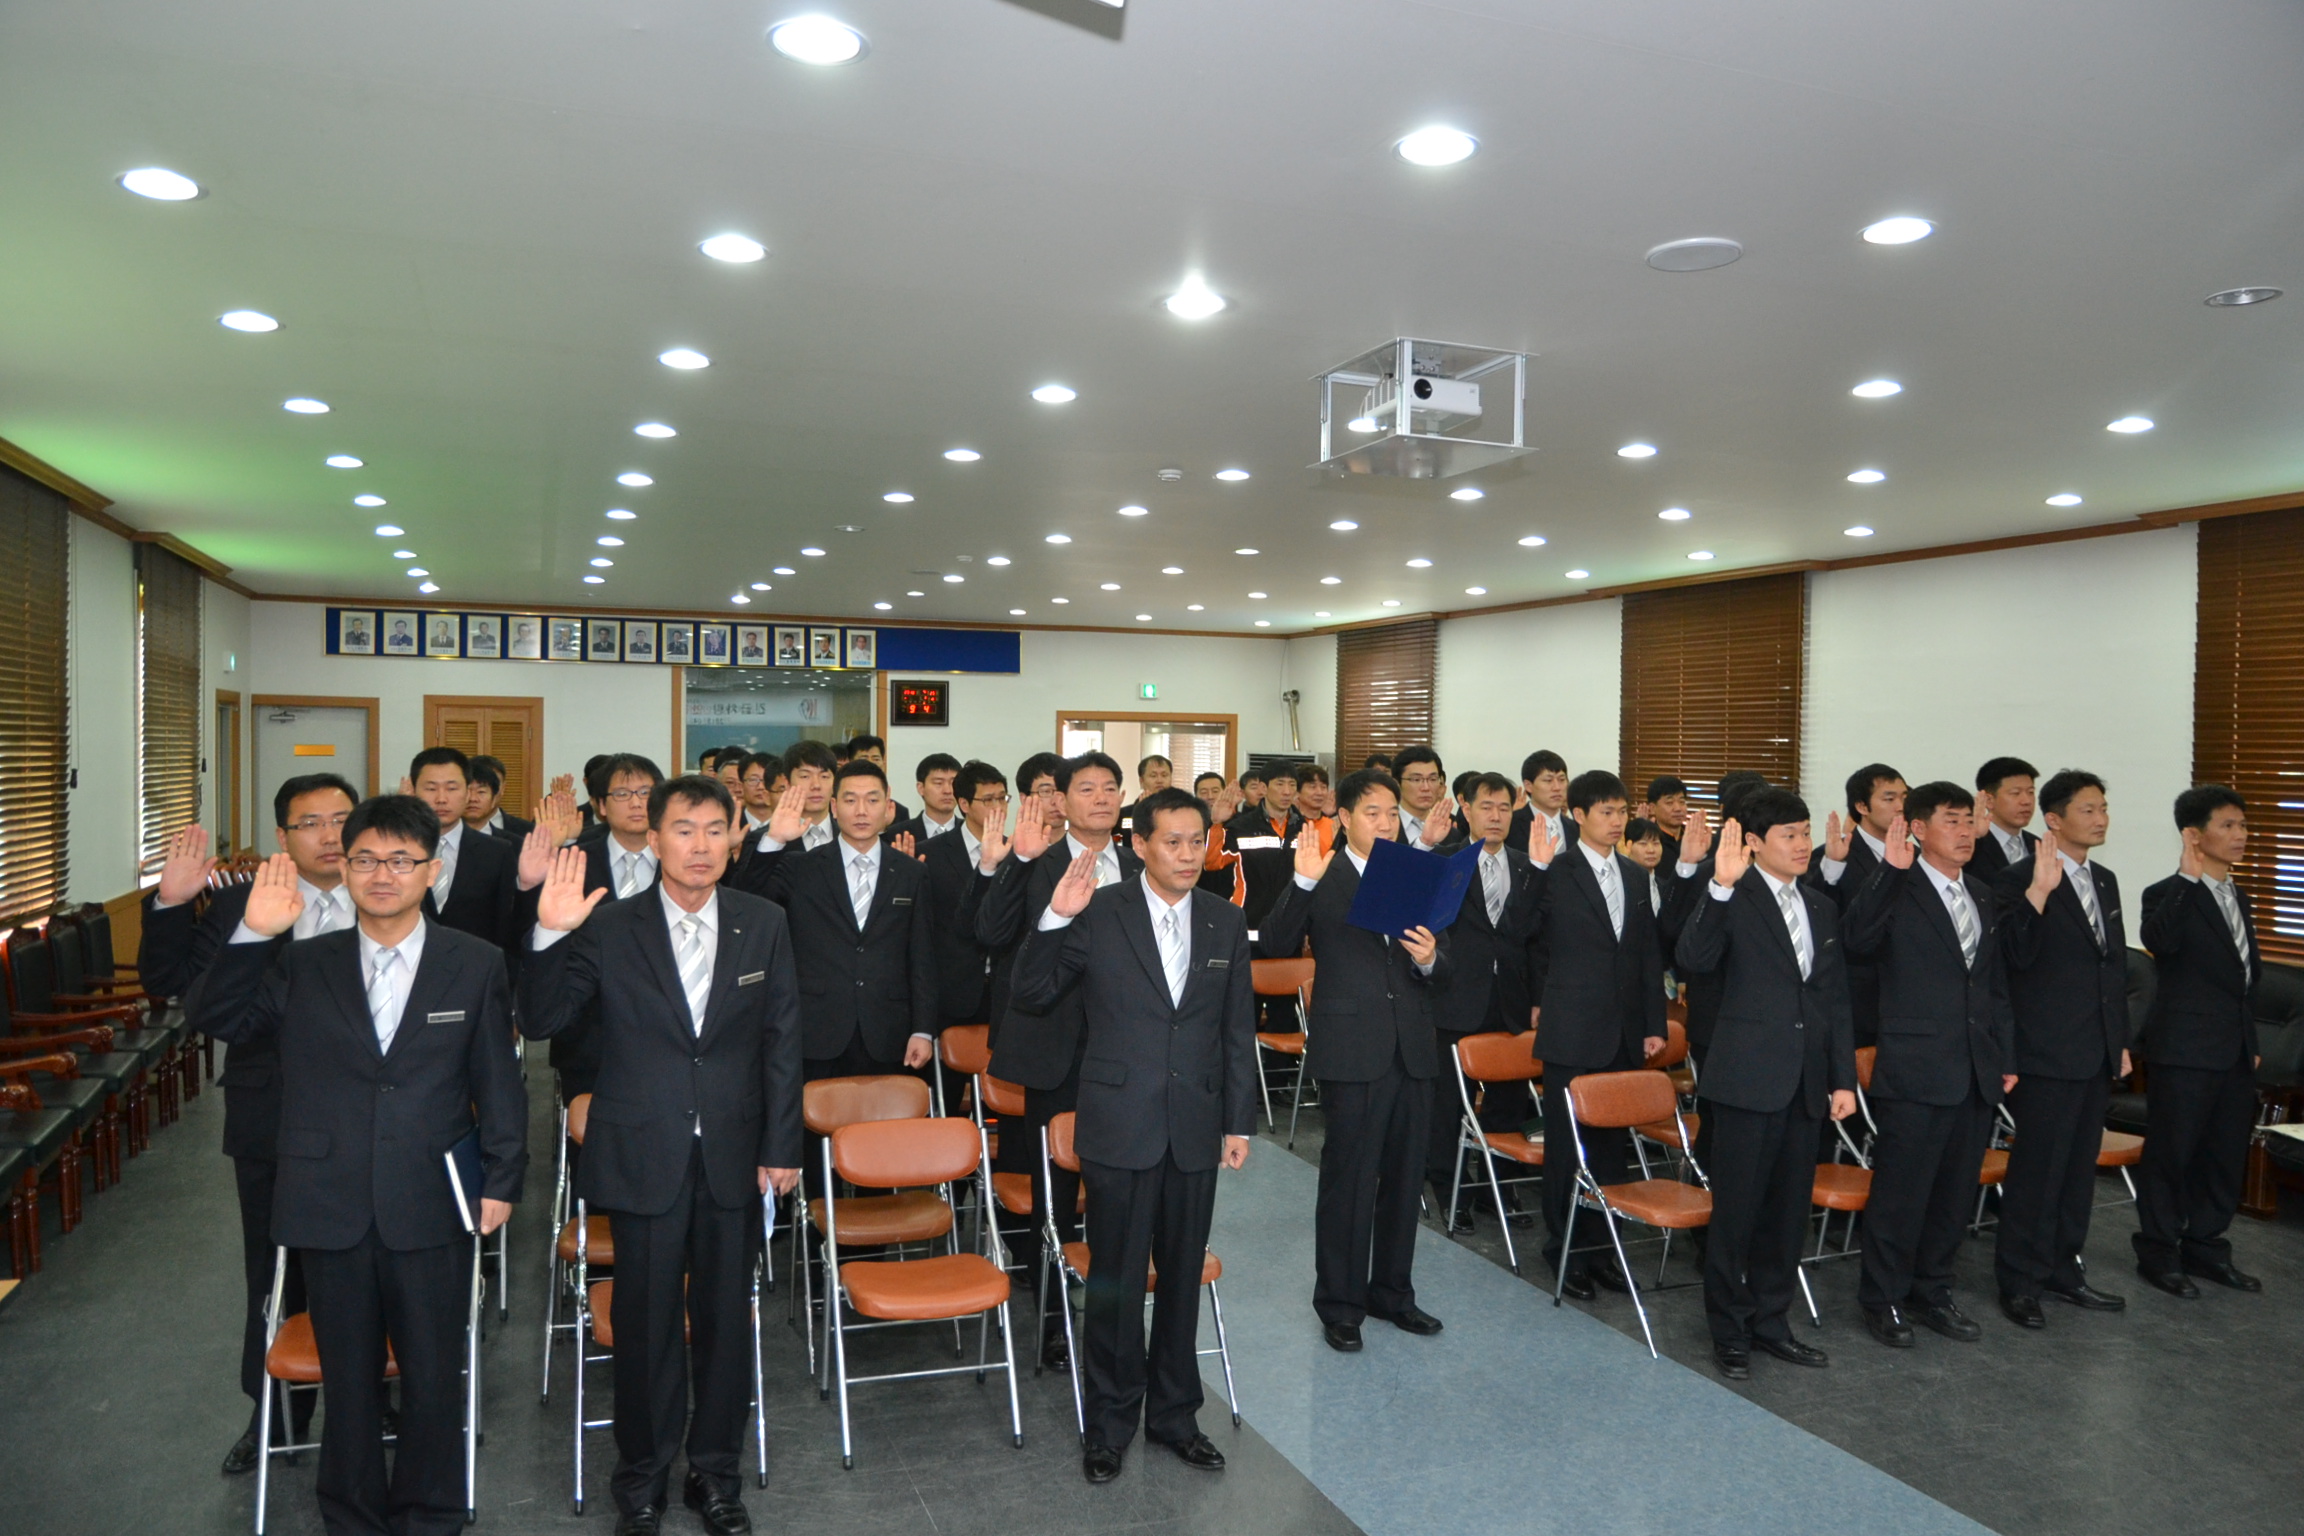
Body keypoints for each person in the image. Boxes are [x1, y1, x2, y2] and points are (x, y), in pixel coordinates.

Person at [187, 795, 526, 1536]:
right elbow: (217, 1019)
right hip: (327, 1196)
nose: (382, 875)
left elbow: (498, 1079)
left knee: (433, 1374)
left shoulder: (474, 962)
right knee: (349, 1379)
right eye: (366, 859)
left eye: (402, 860)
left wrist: (502, 1176)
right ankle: (352, 1516)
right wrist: (251, 933)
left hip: (432, 1198)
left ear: (431, 871)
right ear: (345, 868)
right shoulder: (303, 961)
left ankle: (432, 1512)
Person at [521, 776, 804, 1536]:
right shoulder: (610, 925)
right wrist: (548, 934)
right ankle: (641, 1482)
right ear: (652, 838)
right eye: (684, 829)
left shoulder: (763, 921)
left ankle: (715, 1475)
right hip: (642, 1154)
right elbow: (542, 1018)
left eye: (715, 830)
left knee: (726, 1325)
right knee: (645, 1329)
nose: (700, 846)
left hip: (736, 1157)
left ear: (735, 838)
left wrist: (782, 1145)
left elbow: (782, 1038)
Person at [1012, 789, 1256, 1484]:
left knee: (1180, 1276)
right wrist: (1055, 916)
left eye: (1197, 841)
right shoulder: (1099, 910)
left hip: (1196, 1125)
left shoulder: (1224, 920)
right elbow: (1031, 993)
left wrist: (1238, 1121)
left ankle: (1176, 1416)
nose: (1188, 854)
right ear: (1141, 844)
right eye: (1172, 842)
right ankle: (1109, 1424)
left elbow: (1235, 1029)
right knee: (1116, 1281)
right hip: (1120, 1123)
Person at [140, 775, 362, 1475]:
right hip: (274, 1118)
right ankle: (273, 1415)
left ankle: (375, 1402)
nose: (329, 835)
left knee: (371, 1268)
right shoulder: (243, 902)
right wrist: (172, 903)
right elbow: (171, 983)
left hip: (375, 1118)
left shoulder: (388, 892)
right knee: (272, 1274)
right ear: (283, 837)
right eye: (310, 823)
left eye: (342, 819)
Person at [1256, 769, 1449, 1351]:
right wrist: (1302, 883)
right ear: (1343, 818)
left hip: (1412, 1047)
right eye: (1372, 813)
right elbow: (1274, 943)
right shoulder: (1325, 873)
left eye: (1392, 813)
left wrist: (1430, 959)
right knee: (1349, 1182)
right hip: (1352, 1049)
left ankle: (1393, 1293)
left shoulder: (1412, 872)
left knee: (1405, 1180)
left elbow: (1444, 961)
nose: (1386, 823)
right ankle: (1340, 1304)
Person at [1673, 788, 1857, 1378]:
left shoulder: (1820, 905)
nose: (1803, 844)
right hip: (1746, 1081)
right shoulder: (1730, 894)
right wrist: (1720, 887)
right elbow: (1692, 958)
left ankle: (1772, 1322)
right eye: (1789, 835)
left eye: (1806, 832)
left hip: (1806, 1083)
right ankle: (1729, 1330)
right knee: (1737, 1215)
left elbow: (1832, 999)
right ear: (1753, 841)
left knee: (1787, 1215)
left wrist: (1842, 1078)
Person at [976, 752, 1141, 1366]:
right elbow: (990, 933)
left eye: (1110, 787)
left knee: (1120, 1195)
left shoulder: (1142, 862)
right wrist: (1015, 861)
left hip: (1130, 1051)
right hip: (1058, 1052)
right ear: (1060, 802)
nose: (1100, 798)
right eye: (1086, 789)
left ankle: (1114, 1319)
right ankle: (1053, 1322)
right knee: (1059, 1195)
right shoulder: (1036, 861)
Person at [1841, 781, 2015, 1348]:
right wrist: (1889, 874)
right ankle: (1883, 1298)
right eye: (1951, 821)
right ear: (1917, 828)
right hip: (1916, 1067)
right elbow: (1856, 941)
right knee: (1902, 1194)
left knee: (1954, 1195)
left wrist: (2005, 1054)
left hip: (1975, 1068)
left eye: (1969, 821)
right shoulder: (1896, 885)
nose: (1965, 832)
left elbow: (1993, 985)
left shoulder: (1981, 892)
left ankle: (1932, 1291)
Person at [1991, 770, 2131, 1327]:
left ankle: (2064, 1270)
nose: (2100, 819)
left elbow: (2112, 969)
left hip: (2094, 1050)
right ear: (2054, 820)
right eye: (2088, 810)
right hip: (2043, 1051)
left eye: (2103, 808)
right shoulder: (2017, 878)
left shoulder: (2106, 879)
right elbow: (2013, 959)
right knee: (2038, 1173)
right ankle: (2020, 1281)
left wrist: (2119, 1040)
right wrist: (2040, 894)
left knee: (2077, 1172)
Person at [1525, 770, 1666, 1298]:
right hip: (1572, 1030)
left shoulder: (1634, 873)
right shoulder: (1556, 871)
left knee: (1611, 1150)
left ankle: (1605, 1250)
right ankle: (1565, 1252)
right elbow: (1522, 932)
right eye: (1606, 812)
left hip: (1624, 1032)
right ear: (1578, 815)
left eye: (1622, 812)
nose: (1616, 821)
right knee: (1568, 1150)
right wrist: (1535, 871)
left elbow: (1646, 954)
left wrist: (1654, 1024)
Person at [739, 759, 938, 1101]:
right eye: (850, 800)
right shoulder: (801, 867)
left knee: (883, 1129)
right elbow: (747, 904)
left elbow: (922, 957)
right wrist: (773, 840)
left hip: (888, 1031)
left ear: (888, 805)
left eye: (872, 800)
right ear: (834, 807)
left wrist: (923, 1029)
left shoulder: (911, 872)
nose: (861, 810)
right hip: (816, 1030)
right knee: (814, 1126)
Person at [2134, 785, 2265, 1297]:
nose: (2240, 835)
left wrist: (2250, 1039)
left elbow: (2243, 978)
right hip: (2185, 1048)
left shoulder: (2239, 896)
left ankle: (2207, 1247)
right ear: (2193, 835)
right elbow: (2160, 943)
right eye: (2227, 825)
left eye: (2242, 825)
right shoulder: (2167, 893)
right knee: (2172, 1154)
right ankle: (2159, 1252)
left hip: (2234, 1049)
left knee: (2223, 1156)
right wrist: (2188, 880)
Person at [1426, 772, 1540, 1231]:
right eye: (1486, 807)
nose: (1496, 816)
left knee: (1508, 1103)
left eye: (1504, 808)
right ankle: (1451, 1190)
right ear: (1465, 809)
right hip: (1455, 997)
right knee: (1448, 1105)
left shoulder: (1529, 866)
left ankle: (1500, 1189)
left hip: (1511, 1000)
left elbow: (1539, 942)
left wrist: (1538, 998)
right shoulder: (1444, 861)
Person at [519, 753, 664, 1102]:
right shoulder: (571, 861)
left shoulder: (683, 863)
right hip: (589, 1034)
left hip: (666, 1033)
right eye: (622, 794)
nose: (636, 803)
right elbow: (535, 939)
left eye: (646, 792)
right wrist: (528, 885)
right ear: (600, 805)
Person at [1808, 763, 1907, 1049]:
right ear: (1862, 806)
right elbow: (1817, 915)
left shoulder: (1916, 856)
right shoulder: (1834, 855)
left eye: (1904, 797)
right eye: (1889, 798)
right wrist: (1832, 865)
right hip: (1857, 1002)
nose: (1901, 806)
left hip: (1907, 999)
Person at [921, 762, 1008, 1046]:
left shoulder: (1018, 853)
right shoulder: (930, 854)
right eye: (988, 800)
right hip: (953, 992)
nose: (998, 807)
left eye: (1002, 798)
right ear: (964, 804)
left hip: (1005, 991)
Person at [407, 747, 521, 954]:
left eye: (452, 788)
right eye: (431, 789)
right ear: (413, 791)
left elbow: (505, 928)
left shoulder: (497, 852)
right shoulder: (395, 852)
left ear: (468, 793)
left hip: (475, 966)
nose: (441, 799)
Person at [1969, 756, 2042, 881]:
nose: (2027, 801)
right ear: (1989, 800)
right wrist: (1974, 836)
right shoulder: (1971, 845)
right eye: (2015, 793)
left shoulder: (2040, 846)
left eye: (2030, 792)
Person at [1389, 745, 1453, 849]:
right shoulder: (1385, 827)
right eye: (1416, 780)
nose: (1426, 788)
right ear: (1397, 784)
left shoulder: (1451, 831)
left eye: (1432, 779)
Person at [1508, 750, 1574, 850]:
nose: (1557, 787)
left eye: (1561, 780)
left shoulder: (1577, 828)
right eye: (1548, 780)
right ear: (1528, 786)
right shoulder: (1510, 825)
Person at [464, 754, 534, 843]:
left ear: (503, 788)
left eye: (481, 791)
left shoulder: (528, 832)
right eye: (468, 790)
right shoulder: (448, 828)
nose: (473, 798)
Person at [1225, 765, 1300, 845]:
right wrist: (1219, 821)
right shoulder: (1237, 826)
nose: (1287, 792)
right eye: (1254, 787)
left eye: (1292, 785)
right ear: (1242, 793)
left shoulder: (1303, 825)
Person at [902, 752, 964, 841]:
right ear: (921, 788)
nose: (948, 791)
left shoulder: (973, 832)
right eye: (938, 783)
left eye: (953, 783)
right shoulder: (899, 834)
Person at [1644, 775, 1690, 864]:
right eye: (1669, 803)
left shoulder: (1693, 838)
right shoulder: (1648, 843)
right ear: (1652, 808)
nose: (1678, 808)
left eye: (1682, 802)